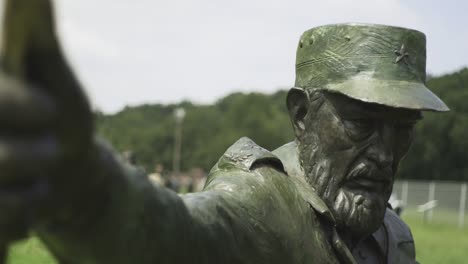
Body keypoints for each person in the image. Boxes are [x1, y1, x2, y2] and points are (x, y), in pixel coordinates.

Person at [0, 1, 448, 264]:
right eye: (362, 124)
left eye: (403, 129)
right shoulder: (262, 203)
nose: (386, 155)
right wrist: (76, 177)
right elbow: (172, 233)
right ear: (301, 114)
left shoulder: (395, 236)